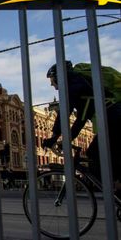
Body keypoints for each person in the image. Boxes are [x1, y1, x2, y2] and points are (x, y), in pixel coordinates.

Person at [42, 61, 121, 191]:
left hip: (114, 119)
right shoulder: (81, 85)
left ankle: (115, 188)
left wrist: (54, 138)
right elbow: (81, 118)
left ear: (60, 77)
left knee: (94, 153)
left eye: (52, 79)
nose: (52, 83)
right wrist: (66, 137)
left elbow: (65, 113)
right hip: (113, 117)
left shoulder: (74, 87)